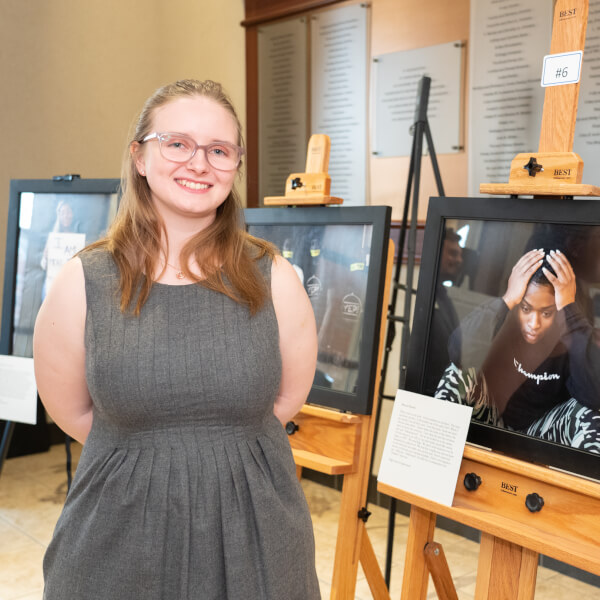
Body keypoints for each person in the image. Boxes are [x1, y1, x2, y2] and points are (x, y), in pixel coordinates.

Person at [33, 79, 320, 599]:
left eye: (218, 150)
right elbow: (71, 412)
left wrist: (210, 448)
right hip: (117, 536)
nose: (199, 163)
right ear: (139, 157)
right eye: (178, 143)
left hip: (255, 534)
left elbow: (284, 400)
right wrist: (156, 453)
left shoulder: (275, 276)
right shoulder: (84, 280)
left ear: (235, 166)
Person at [436, 248, 600, 452]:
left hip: (542, 434)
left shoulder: (571, 334)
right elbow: (456, 352)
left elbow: (595, 393)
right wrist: (507, 299)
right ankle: (436, 469)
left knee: (592, 413)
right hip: (494, 422)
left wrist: (570, 308)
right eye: (526, 309)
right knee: (457, 375)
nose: (534, 323)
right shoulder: (505, 322)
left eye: (546, 313)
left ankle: (568, 486)